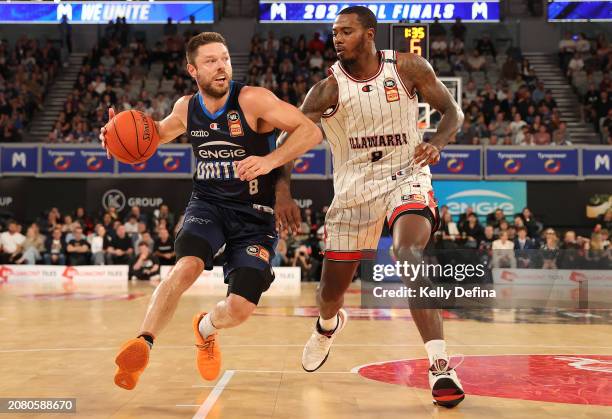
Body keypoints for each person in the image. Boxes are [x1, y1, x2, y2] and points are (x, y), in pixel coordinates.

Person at [101, 32, 321, 390]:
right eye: (210, 61)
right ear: (193, 69)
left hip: (254, 215)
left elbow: (310, 132)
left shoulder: (252, 99)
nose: (221, 66)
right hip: (209, 205)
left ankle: (205, 328)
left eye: (224, 59)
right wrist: (113, 134)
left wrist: (269, 161)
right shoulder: (186, 108)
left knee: (239, 310)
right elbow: (152, 134)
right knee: (187, 265)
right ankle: (143, 341)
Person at [288, 7, 465, 407]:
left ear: (369, 35)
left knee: (408, 253)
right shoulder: (325, 90)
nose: (336, 38)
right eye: (334, 32)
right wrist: (282, 193)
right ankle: (326, 326)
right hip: (354, 190)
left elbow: (454, 112)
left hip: (407, 175)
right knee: (330, 292)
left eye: (345, 32)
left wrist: (436, 142)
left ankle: (440, 366)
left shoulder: (409, 69)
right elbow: (290, 143)